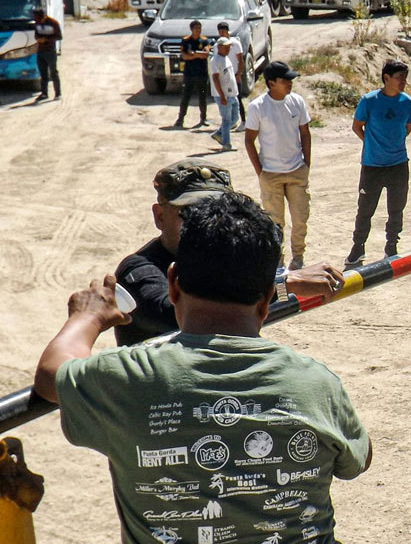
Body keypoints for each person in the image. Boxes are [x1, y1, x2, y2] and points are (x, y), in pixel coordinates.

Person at [34, 191, 372, 544]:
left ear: (172, 283)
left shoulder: (131, 381)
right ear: (268, 299)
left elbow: (52, 374)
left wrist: (88, 318)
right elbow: (358, 460)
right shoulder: (313, 382)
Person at [113, 159, 343, 347]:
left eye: (216, 211)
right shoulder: (138, 269)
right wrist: (284, 283)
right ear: (160, 216)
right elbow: (172, 313)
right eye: (189, 212)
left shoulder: (223, 258)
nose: (203, 221)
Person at [347, 61, 411, 267]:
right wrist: (372, 144)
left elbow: (408, 127)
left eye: (404, 77)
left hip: (398, 165)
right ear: (386, 78)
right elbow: (357, 126)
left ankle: (392, 247)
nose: (403, 81)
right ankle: (357, 248)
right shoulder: (369, 101)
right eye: (399, 77)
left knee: (396, 209)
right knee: (365, 209)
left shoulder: (408, 103)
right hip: (372, 166)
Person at [245, 61, 311, 270]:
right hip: (271, 175)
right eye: (285, 80)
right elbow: (249, 140)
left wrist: (306, 164)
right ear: (271, 83)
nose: (290, 83)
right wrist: (260, 172)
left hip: (296, 171)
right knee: (274, 223)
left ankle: (298, 256)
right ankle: (278, 259)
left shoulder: (297, 102)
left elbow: (305, 134)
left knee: (300, 218)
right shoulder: (258, 107)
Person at [175, 20, 211, 128]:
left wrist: (193, 54)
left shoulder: (204, 40)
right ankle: (180, 119)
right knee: (185, 97)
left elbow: (206, 54)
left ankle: (203, 118)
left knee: (202, 97)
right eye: (195, 28)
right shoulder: (186, 40)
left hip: (202, 73)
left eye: (199, 28)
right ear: (191, 29)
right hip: (189, 74)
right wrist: (196, 55)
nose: (198, 30)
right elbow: (184, 56)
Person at [208, 38, 241, 150]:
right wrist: (222, 96)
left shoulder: (226, 58)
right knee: (226, 120)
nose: (228, 49)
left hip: (232, 94)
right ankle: (226, 144)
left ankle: (218, 134)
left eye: (229, 47)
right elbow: (215, 79)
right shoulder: (215, 61)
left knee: (235, 118)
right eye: (226, 47)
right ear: (219, 47)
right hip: (224, 95)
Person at [216, 21, 247, 130]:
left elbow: (240, 60)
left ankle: (244, 121)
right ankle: (231, 121)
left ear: (227, 31)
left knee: (237, 98)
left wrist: (239, 73)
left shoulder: (235, 43)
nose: (222, 33)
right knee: (227, 100)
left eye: (223, 31)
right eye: (220, 31)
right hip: (225, 77)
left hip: (234, 75)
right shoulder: (218, 45)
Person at [31, 6, 62, 102]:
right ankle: (44, 93)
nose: (35, 19)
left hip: (50, 51)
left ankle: (58, 94)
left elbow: (59, 36)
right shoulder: (37, 23)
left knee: (53, 73)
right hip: (40, 51)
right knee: (43, 73)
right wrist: (38, 39)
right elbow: (36, 34)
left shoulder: (53, 23)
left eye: (36, 17)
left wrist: (47, 40)